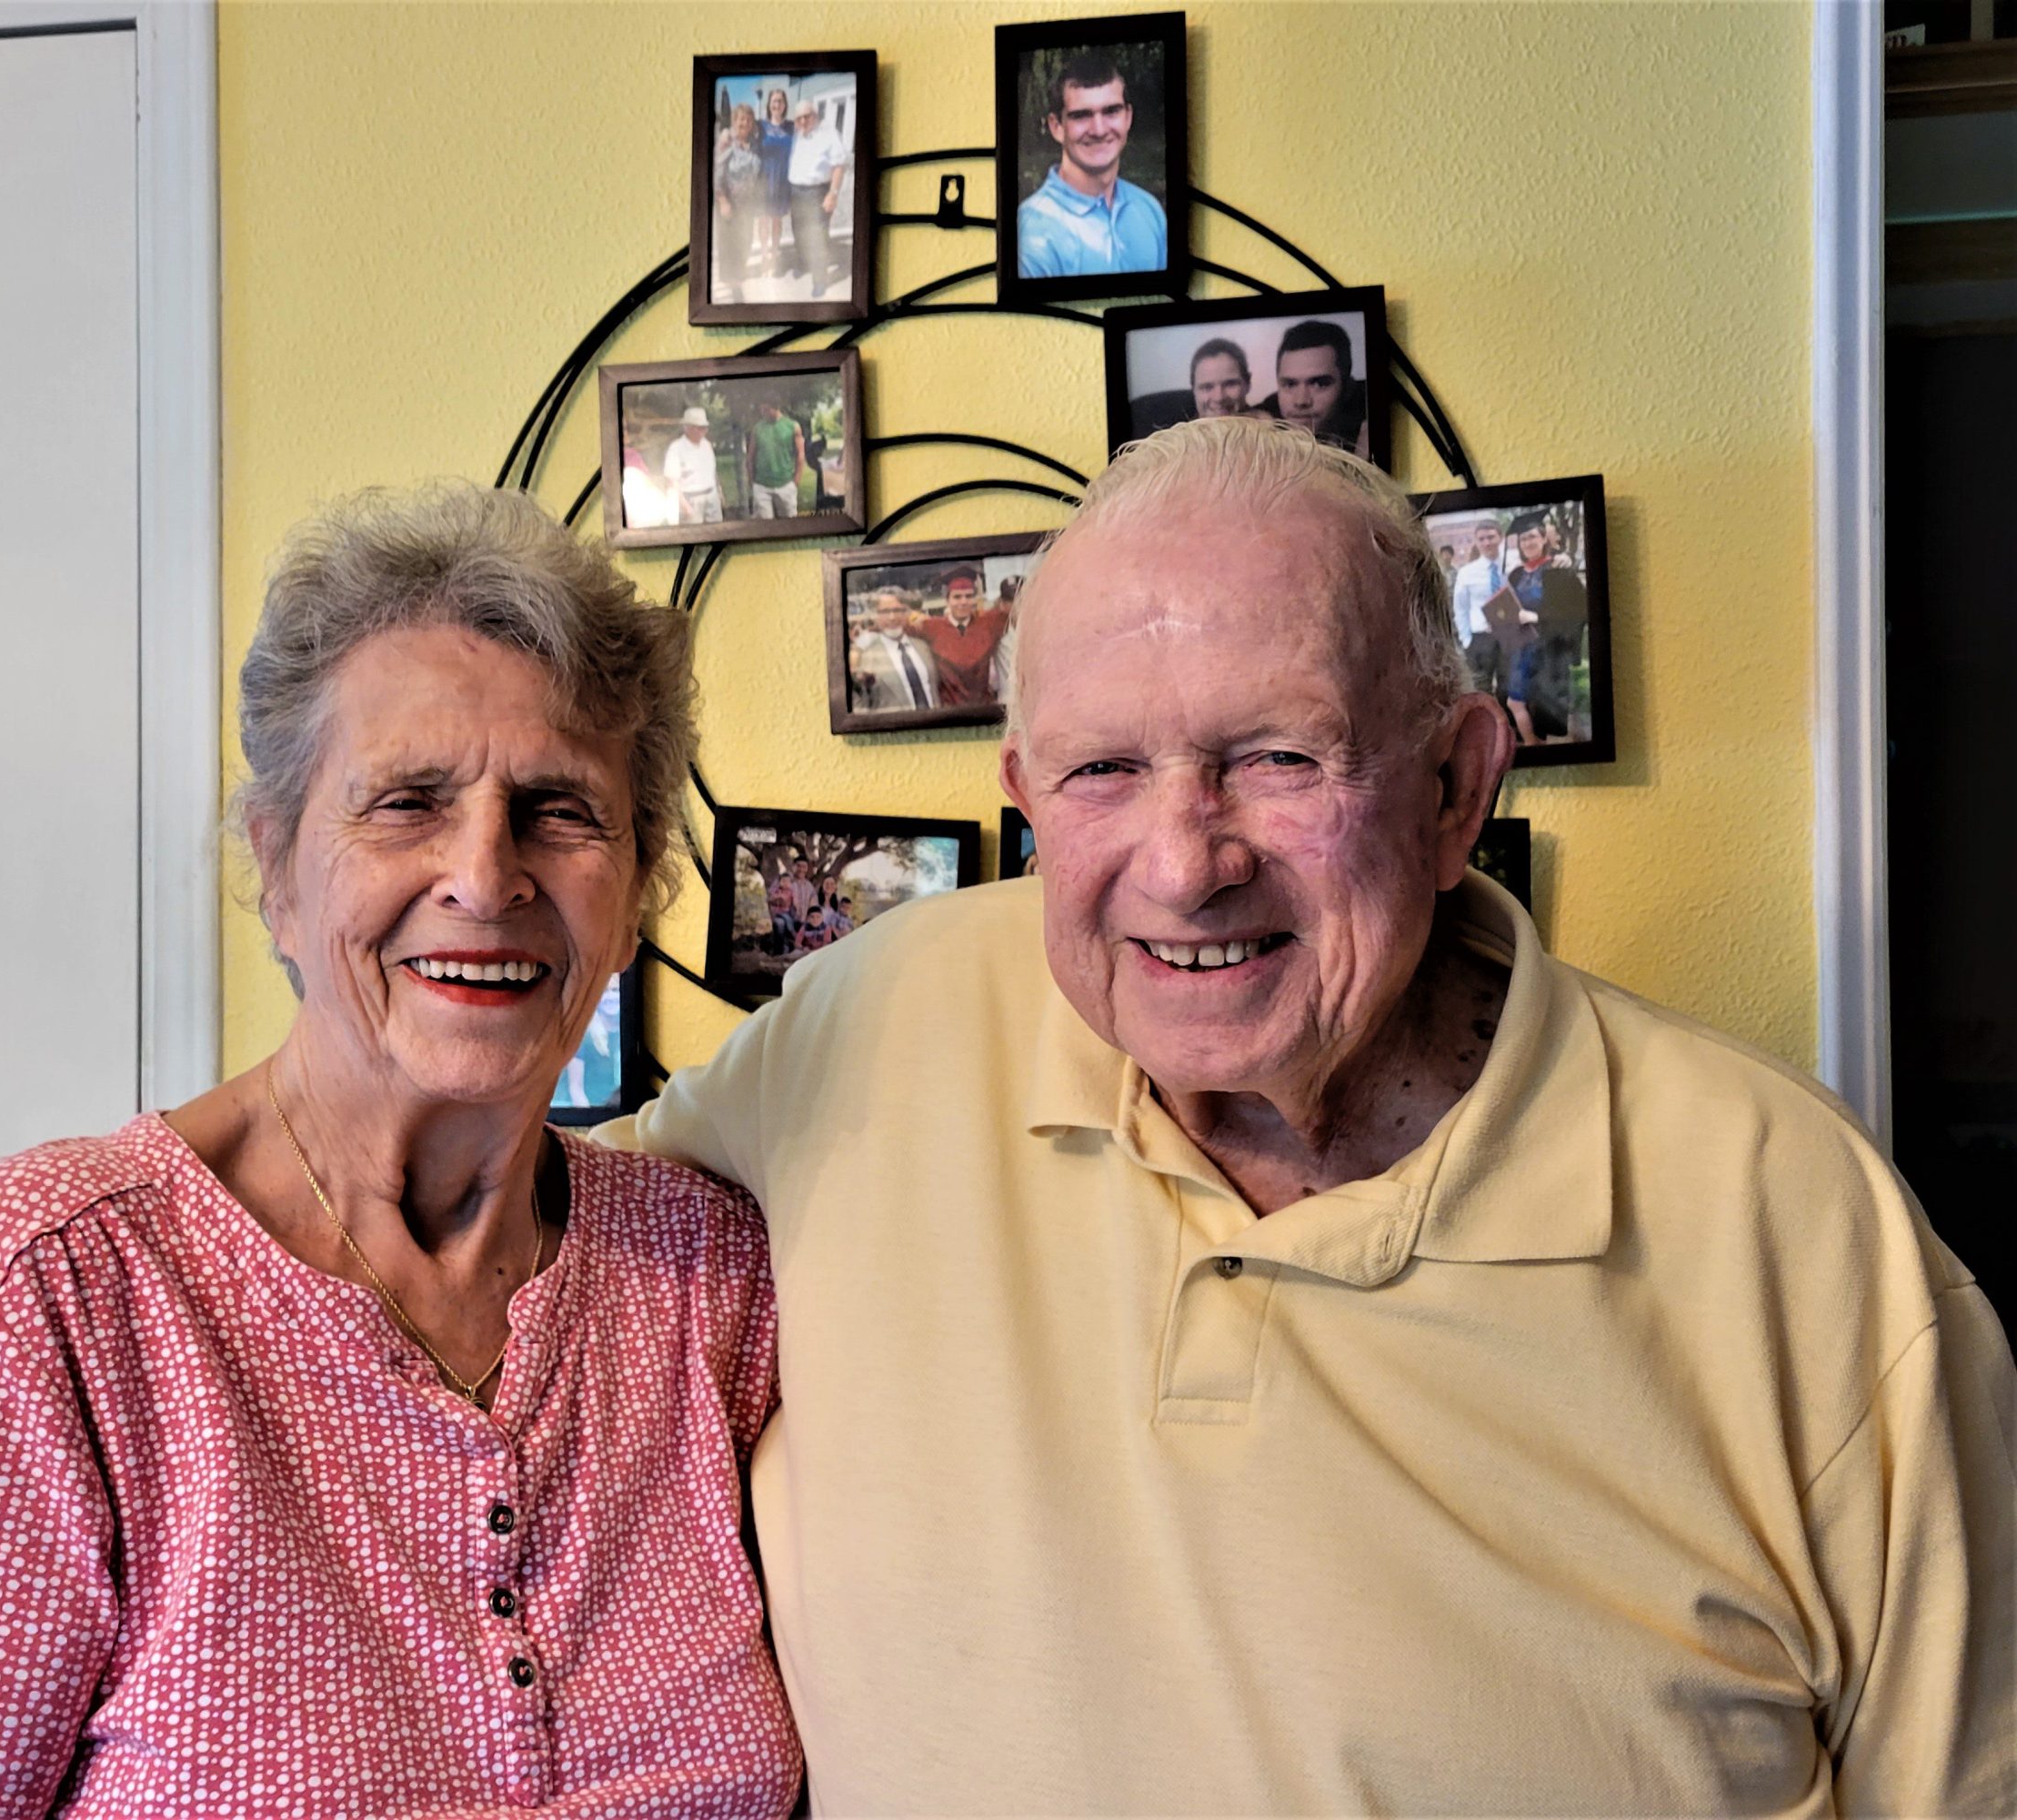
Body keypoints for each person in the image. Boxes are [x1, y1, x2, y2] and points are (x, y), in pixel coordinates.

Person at [605, 417, 2017, 1815]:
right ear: (1027, 796)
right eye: (1103, 771)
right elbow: (483, 1266)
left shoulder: (1794, 1224)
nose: (1184, 863)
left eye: (1280, 757)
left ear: (1458, 784)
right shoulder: (878, 1025)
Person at [0, 484, 801, 1818]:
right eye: (408, 802)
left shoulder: (713, 1280)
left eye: (559, 810)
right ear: (278, 869)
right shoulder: (57, 1291)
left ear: (638, 880)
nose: (486, 876)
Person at [1014, 48, 1168, 280]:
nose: (1099, 130)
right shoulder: (1032, 232)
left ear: (1128, 117)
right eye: (1081, 115)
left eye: (1111, 111)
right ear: (1057, 127)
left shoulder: (1149, 210)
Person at [1502, 508, 1590, 742]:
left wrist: (1536, 617)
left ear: (1543, 538)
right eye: (1523, 539)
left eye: (1532, 536)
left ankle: (1555, 749)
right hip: (1522, 647)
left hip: (1550, 649)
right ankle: (1533, 745)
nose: (1528, 542)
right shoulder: (1516, 575)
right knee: (1515, 701)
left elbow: (1577, 611)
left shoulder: (1558, 570)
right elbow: (1511, 607)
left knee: (1548, 706)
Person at [1256, 318, 1371, 458]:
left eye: (1319, 384)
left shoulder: (1367, 415)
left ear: (1347, 386)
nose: (1301, 401)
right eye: (1290, 384)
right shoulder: (1263, 419)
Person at [908, 564, 1010, 709]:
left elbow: (1014, 612)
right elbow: (898, 626)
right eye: (957, 597)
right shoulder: (931, 627)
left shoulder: (989, 623)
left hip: (984, 708)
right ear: (947, 600)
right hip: (950, 710)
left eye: (969, 596)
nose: (963, 602)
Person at [784, 97, 848, 300]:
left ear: (815, 116)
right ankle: (804, 264)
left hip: (817, 193)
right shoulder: (796, 136)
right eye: (799, 118)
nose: (803, 121)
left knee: (818, 237)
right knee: (799, 232)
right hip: (796, 192)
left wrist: (833, 193)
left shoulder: (829, 135)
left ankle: (820, 280)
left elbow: (839, 165)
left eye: (807, 116)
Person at [1449, 513, 1514, 697]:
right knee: (1481, 691)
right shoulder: (1467, 572)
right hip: (1480, 639)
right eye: (1482, 539)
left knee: (1507, 689)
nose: (1487, 543)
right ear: (1476, 542)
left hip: (1508, 636)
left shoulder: (1513, 565)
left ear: (1500, 537)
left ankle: (1508, 725)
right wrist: (1466, 639)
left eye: (1491, 537)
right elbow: (1460, 608)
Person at [848, 586, 939, 712]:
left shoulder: (923, 647)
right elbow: (857, 702)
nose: (892, 617)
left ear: (907, 612)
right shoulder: (865, 656)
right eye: (885, 612)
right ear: (875, 616)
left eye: (897, 610)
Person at [711, 102, 766, 304]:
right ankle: (732, 286)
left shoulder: (754, 145)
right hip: (729, 202)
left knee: (746, 240)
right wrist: (723, 201)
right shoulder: (727, 142)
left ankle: (738, 273)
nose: (745, 123)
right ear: (734, 121)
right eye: (741, 118)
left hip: (747, 204)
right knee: (729, 244)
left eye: (749, 119)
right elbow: (718, 174)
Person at [662, 405, 722, 524]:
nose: (703, 431)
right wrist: (684, 505)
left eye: (705, 428)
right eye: (699, 428)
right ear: (687, 428)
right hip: (691, 499)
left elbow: (712, 471)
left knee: (717, 535)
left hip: (711, 495)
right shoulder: (676, 448)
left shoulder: (707, 445)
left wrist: (719, 492)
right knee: (693, 536)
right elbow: (672, 481)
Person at [745, 398, 804, 519]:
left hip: (786, 483)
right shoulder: (757, 428)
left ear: (776, 407)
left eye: (766, 409)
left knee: (789, 523)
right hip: (762, 485)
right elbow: (750, 456)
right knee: (765, 525)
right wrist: (751, 480)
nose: (763, 412)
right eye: (761, 409)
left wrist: (796, 480)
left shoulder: (792, 426)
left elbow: (800, 455)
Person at [756, 88, 793, 277]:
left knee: (777, 220)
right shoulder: (760, 126)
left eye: (780, 101)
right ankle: (764, 256)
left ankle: (775, 254)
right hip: (764, 179)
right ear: (769, 104)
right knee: (763, 219)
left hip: (782, 180)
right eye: (774, 101)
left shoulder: (791, 127)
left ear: (785, 105)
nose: (777, 104)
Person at [1188, 336, 1256, 418]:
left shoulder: (1269, 426)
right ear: (1193, 390)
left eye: (1230, 384)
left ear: (1248, 384)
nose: (1219, 398)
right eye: (1207, 387)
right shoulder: (1176, 431)